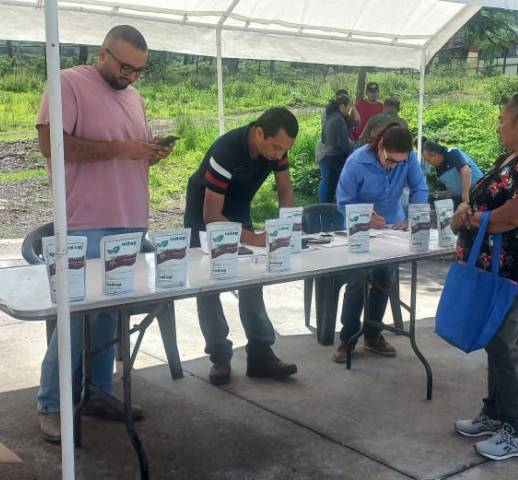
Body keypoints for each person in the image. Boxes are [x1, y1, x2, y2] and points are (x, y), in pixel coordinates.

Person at [35, 25, 172, 443]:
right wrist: (121, 149)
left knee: (110, 314)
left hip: (130, 219)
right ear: (103, 53)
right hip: (85, 221)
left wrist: (149, 152)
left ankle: (97, 392)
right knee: (76, 316)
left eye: (139, 70)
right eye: (125, 66)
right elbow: (51, 145)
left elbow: (130, 153)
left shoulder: (134, 97)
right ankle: (52, 404)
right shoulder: (67, 84)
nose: (130, 76)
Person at [451, 92, 518, 460]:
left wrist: (471, 219)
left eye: (502, 119)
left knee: (502, 344)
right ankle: (495, 413)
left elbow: (514, 215)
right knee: (494, 341)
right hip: (491, 267)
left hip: (512, 268)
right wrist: (467, 206)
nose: (498, 126)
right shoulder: (509, 159)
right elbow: (485, 199)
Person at [183, 108, 299, 385]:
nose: (279, 154)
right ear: (259, 133)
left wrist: (288, 228)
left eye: (284, 149)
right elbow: (212, 216)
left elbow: (285, 190)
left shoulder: (278, 150)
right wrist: (254, 238)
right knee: (209, 284)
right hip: (204, 212)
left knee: (252, 279)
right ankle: (220, 357)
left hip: (238, 207)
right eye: (276, 147)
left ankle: (261, 355)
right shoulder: (227, 151)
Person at [333, 124, 428, 362]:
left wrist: (413, 217)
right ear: (380, 145)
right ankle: (347, 338)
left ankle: (372, 335)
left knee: (385, 280)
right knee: (357, 282)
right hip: (360, 229)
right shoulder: (356, 162)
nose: (393, 166)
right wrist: (366, 217)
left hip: (392, 227)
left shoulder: (408, 159)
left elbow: (420, 187)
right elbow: (344, 202)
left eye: (399, 162)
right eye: (389, 160)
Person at [421, 140, 484, 205]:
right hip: (461, 198)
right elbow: (454, 190)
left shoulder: (452, 152)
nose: (428, 163)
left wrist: (465, 199)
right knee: (431, 200)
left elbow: (466, 170)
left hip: (478, 191)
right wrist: (442, 193)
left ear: (435, 155)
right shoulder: (438, 169)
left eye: (428, 160)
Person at [318, 93, 354, 203]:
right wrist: (353, 154)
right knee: (337, 189)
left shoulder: (329, 117)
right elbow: (343, 144)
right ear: (342, 106)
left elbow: (323, 139)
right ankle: (329, 210)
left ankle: (325, 209)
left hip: (329, 157)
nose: (348, 111)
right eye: (348, 107)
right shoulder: (338, 120)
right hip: (337, 158)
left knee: (330, 187)